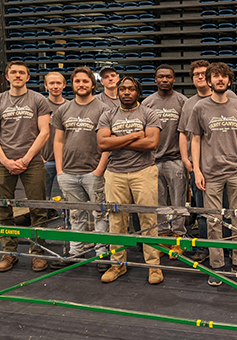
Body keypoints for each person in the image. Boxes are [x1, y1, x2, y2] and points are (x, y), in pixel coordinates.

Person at [188, 62, 237, 286]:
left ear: (229, 80)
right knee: (213, 221)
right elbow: (195, 139)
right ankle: (217, 266)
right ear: (209, 81)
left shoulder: (236, 106)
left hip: (236, 171)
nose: (220, 80)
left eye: (224, 76)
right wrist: (197, 170)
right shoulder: (200, 108)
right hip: (211, 174)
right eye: (215, 76)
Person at [0, 61, 51, 272]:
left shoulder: (38, 99)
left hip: (31, 161)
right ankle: (9, 252)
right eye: (13, 72)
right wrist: (4, 160)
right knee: (3, 208)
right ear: (7, 76)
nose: (17, 75)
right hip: (3, 161)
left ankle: (37, 253)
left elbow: (44, 132)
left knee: (38, 208)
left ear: (28, 77)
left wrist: (26, 159)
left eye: (22, 72)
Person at [97, 77, 164, 285]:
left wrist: (116, 141)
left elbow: (152, 142)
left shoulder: (148, 113)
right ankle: (117, 265)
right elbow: (102, 143)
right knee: (116, 220)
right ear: (117, 92)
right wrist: (136, 135)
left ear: (138, 92)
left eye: (131, 89)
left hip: (143, 172)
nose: (126, 92)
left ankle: (154, 267)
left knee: (148, 220)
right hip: (115, 174)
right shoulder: (108, 114)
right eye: (123, 89)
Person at [50, 67, 111, 272]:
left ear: (93, 85)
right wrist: (60, 170)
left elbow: (108, 142)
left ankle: (102, 253)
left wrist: (99, 169)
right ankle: (76, 251)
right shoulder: (63, 110)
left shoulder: (103, 109)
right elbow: (58, 141)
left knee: (100, 214)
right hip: (68, 172)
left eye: (85, 81)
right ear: (73, 84)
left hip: (94, 172)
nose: (81, 85)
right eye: (77, 82)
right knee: (76, 214)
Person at [178, 60, 237, 263]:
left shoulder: (231, 99)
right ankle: (205, 248)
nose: (200, 77)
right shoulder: (190, 104)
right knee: (204, 212)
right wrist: (188, 160)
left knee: (228, 212)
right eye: (196, 74)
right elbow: (185, 134)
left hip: (227, 168)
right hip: (202, 168)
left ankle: (228, 248)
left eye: (204, 73)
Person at [141, 64, 188, 257]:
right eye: (161, 77)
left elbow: (187, 132)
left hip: (176, 159)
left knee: (178, 202)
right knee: (158, 202)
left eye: (168, 77)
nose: (164, 80)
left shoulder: (182, 101)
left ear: (173, 79)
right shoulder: (147, 103)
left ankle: (178, 237)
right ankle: (162, 237)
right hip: (153, 160)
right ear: (156, 79)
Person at [41, 72, 68, 200]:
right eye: (51, 83)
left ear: (64, 85)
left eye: (58, 83)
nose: (55, 86)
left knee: (70, 198)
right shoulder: (40, 106)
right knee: (42, 198)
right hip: (45, 160)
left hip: (67, 162)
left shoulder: (71, 107)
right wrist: (40, 158)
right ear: (46, 85)